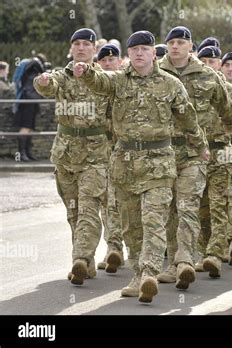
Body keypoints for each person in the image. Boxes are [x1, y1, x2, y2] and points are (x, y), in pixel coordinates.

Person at [74, 30, 208, 302]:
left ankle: (149, 273)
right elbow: (99, 82)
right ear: (129, 54)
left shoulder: (170, 84)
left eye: (144, 49)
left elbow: (188, 119)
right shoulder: (118, 81)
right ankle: (138, 271)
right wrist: (84, 72)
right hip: (124, 164)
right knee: (131, 225)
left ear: (154, 54)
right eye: (134, 49)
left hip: (158, 162)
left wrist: (200, 146)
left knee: (154, 220)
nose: (138, 53)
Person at [33, 28, 110, 285]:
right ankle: (86, 262)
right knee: (73, 211)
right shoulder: (62, 75)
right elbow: (47, 85)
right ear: (71, 48)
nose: (81, 48)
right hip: (66, 153)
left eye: (86, 44)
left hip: (96, 153)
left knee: (90, 206)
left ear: (94, 49)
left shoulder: (105, 78)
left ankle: (79, 258)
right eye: (76, 43)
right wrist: (42, 81)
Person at [158, 26, 232, 284]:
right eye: (172, 42)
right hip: (163, 151)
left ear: (191, 46)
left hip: (194, 152)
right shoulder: (156, 73)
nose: (175, 46)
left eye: (181, 42)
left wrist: (219, 142)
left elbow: (227, 111)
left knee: (188, 206)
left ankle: (186, 260)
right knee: (168, 209)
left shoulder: (208, 75)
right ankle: (172, 262)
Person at [199, 45, 232, 267]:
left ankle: (227, 245)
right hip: (198, 154)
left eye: (213, 62)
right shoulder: (191, 87)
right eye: (205, 60)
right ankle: (208, 249)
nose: (208, 65)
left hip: (226, 151)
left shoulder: (227, 89)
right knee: (202, 206)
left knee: (224, 201)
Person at [95, 43, 125, 272]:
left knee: (121, 203)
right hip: (97, 153)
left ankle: (125, 248)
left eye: (111, 60)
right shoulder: (94, 85)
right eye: (104, 60)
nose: (107, 63)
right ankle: (113, 248)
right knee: (106, 203)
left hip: (123, 152)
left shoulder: (124, 83)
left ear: (120, 61)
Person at [14, 54, 48, 161]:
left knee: (29, 127)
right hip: (27, 100)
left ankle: (27, 152)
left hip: (30, 100)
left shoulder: (29, 66)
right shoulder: (33, 65)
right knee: (25, 127)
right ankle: (22, 153)